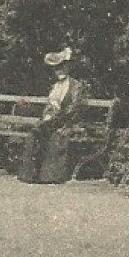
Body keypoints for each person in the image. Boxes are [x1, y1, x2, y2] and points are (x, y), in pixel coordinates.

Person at [18, 47, 87, 184]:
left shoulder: (75, 86)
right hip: (51, 121)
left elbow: (74, 108)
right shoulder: (54, 86)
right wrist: (45, 114)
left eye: (61, 67)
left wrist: (57, 117)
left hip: (67, 122)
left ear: (68, 67)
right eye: (56, 68)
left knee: (49, 134)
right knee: (33, 135)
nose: (58, 71)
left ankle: (50, 176)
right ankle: (31, 174)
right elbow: (49, 106)